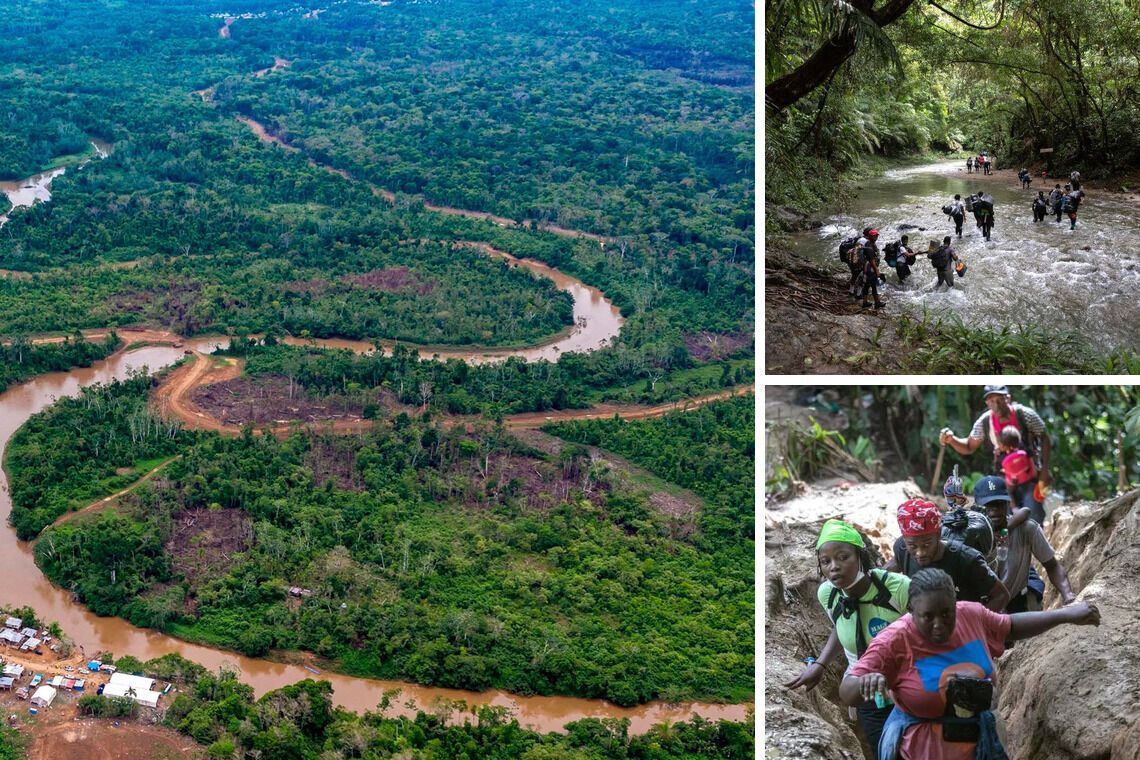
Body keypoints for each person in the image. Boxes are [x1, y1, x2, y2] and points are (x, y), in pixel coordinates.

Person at [840, 568, 1101, 759]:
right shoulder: (894, 640)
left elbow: (1009, 627)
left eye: (946, 613)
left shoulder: (971, 614)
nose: (939, 625)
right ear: (910, 610)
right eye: (927, 617)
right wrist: (865, 682)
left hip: (981, 743)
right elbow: (847, 691)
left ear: (955, 605)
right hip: (923, 751)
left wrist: (1065, 614)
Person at [783, 519, 911, 753]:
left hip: (911, 691)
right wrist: (821, 664)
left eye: (843, 557)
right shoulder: (828, 595)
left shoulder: (899, 588)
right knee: (886, 752)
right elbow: (842, 627)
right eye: (826, 561)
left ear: (861, 556)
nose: (834, 566)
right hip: (869, 697)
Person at [939, 385, 1052, 525]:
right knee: (1007, 519)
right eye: (991, 401)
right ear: (987, 403)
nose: (996, 404)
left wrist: (1045, 470)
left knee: (1034, 514)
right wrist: (952, 440)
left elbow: (1045, 438)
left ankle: (1035, 542)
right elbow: (969, 446)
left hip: (1032, 476)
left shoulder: (1025, 415)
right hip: (1004, 479)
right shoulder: (985, 422)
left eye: (1000, 399)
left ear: (1008, 398)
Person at [974, 476, 1077, 615]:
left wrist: (1068, 596)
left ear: (1007, 504)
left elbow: (1052, 565)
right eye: (988, 505)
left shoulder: (1026, 529)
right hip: (980, 607)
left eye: (999, 503)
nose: (994, 510)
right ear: (977, 508)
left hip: (1017, 602)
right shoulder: (970, 535)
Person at [884, 499, 1010, 612]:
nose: (920, 552)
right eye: (912, 546)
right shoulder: (902, 549)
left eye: (927, 544)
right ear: (904, 539)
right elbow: (885, 572)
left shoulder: (966, 559)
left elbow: (1001, 595)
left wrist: (973, 625)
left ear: (938, 534)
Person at [860, 229, 885, 309]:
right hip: (870, 268)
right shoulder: (869, 245)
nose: (876, 237)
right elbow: (871, 260)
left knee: (869, 285)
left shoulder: (871, 243)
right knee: (871, 285)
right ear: (870, 236)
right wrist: (876, 270)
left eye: (877, 235)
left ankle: (868, 302)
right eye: (874, 235)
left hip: (868, 267)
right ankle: (875, 303)